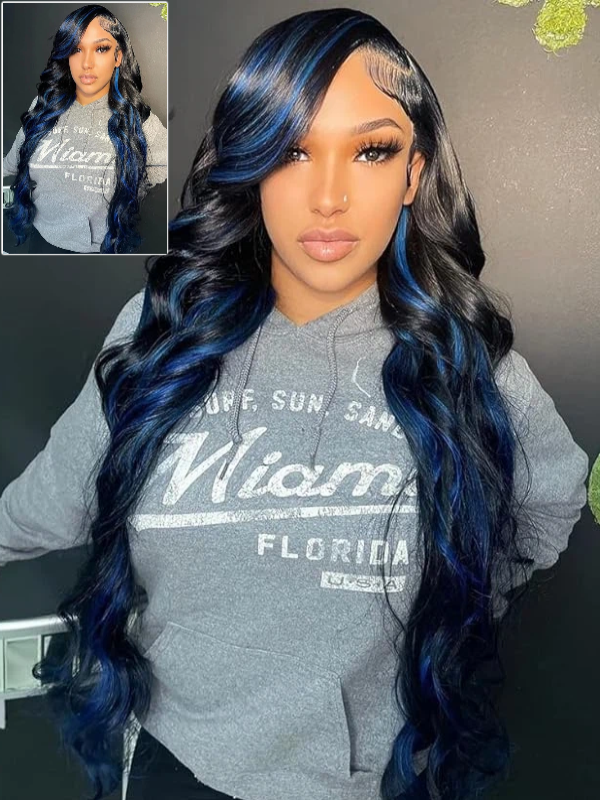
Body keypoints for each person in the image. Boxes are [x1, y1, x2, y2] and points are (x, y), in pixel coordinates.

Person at [0, 8, 590, 800]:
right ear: (250, 165)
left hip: (370, 782)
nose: (328, 197)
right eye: (291, 150)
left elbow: (549, 503)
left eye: (371, 151)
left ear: (413, 173)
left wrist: (452, 592)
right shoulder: (164, 331)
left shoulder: (472, 366)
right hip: (179, 765)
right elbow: (53, 502)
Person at [2, 4, 167, 254]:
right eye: (76, 49)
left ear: (118, 56)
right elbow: (12, 162)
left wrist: (136, 181)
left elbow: (169, 169)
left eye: (101, 48)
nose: (86, 63)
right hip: (40, 243)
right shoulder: (44, 107)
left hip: (103, 255)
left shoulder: (139, 121)